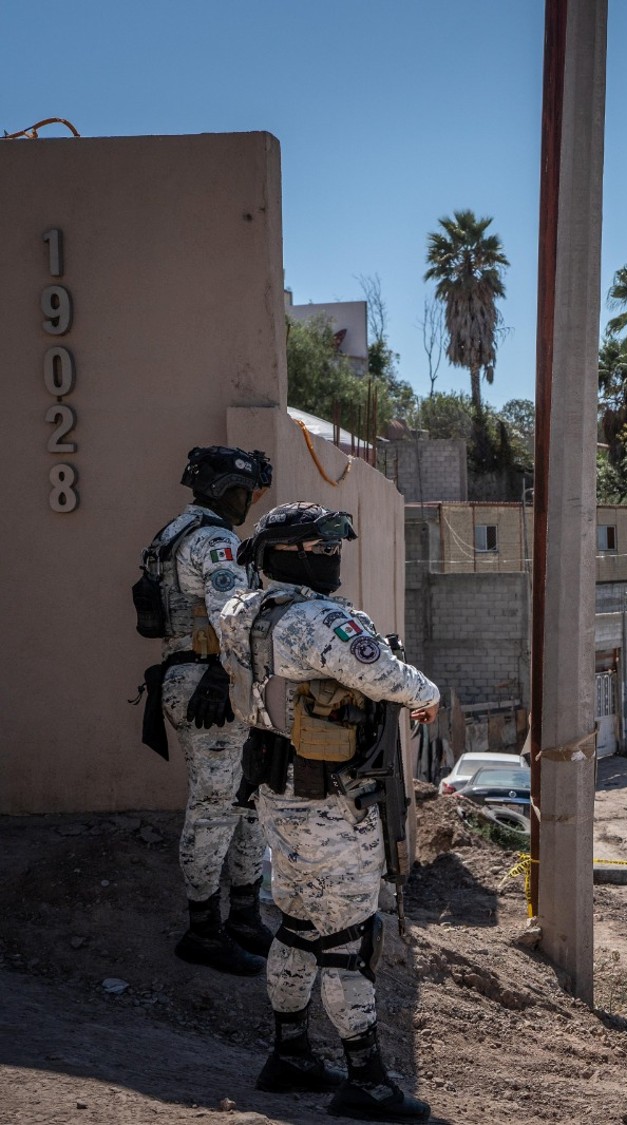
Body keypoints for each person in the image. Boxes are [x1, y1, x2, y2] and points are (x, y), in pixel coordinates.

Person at [217, 502, 439, 1121]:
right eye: (320, 547)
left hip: (276, 796)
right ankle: (366, 1079)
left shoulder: (242, 612)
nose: (333, 556)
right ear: (288, 554)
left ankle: (290, 1054)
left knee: (296, 926)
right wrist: (432, 695)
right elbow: (399, 682)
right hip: (332, 808)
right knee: (347, 939)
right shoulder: (322, 623)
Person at [137, 445, 273, 976]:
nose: (250, 502)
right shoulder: (215, 539)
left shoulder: (171, 533)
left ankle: (241, 918)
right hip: (209, 683)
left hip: (189, 676)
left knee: (244, 802)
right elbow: (232, 616)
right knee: (216, 806)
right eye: (247, 491)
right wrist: (222, 673)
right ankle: (203, 930)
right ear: (224, 488)